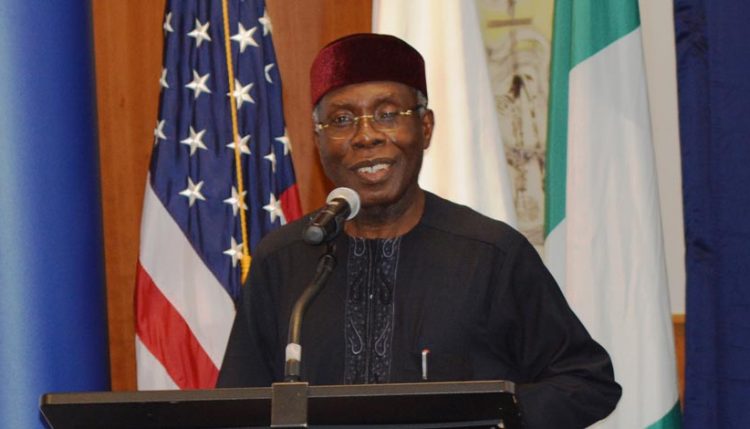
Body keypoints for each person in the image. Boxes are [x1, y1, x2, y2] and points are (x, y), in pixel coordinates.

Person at [217, 33, 621, 428]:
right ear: (320, 140)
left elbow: (586, 382)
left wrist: (496, 417)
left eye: (388, 114)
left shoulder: (490, 253)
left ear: (425, 128)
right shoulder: (284, 259)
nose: (366, 136)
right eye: (341, 120)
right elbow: (235, 408)